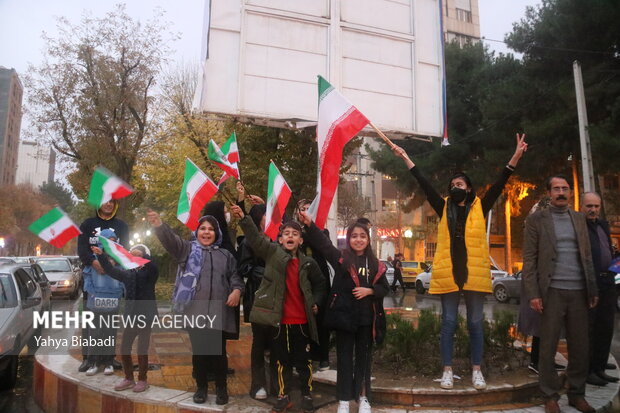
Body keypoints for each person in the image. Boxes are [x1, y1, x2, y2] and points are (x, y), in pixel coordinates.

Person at [392, 134, 528, 390]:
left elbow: (501, 182)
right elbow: (422, 182)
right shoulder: (443, 207)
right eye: (453, 183)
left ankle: (477, 371)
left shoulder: (479, 207)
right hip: (448, 274)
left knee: (476, 323)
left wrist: (516, 156)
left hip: (474, 274)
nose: (456, 186)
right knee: (448, 323)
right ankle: (447, 371)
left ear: (468, 187)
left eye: (461, 183)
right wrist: (406, 158)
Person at [232, 204, 327, 413]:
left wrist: (317, 302)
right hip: (279, 321)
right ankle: (283, 396)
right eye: (286, 233)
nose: (290, 236)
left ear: (301, 240)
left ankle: (307, 394)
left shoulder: (308, 263)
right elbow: (256, 240)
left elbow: (321, 285)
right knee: (281, 361)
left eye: (295, 234)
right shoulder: (273, 253)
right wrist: (244, 218)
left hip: (302, 322)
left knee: (304, 362)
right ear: (280, 238)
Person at [147, 209, 243, 405]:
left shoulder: (225, 255)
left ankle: (221, 388)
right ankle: (201, 387)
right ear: (196, 232)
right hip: (195, 311)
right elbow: (171, 241)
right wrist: (159, 225)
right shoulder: (188, 250)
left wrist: (236, 291)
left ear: (217, 233)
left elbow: (236, 278)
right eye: (202, 229)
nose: (206, 232)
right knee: (199, 352)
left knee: (218, 353)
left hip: (219, 311)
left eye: (211, 229)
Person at [298, 212, 389, 413]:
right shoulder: (341, 258)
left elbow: (385, 288)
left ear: (368, 239)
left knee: (364, 361)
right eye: (354, 236)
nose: (358, 240)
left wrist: (370, 291)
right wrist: (310, 224)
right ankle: (344, 400)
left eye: (362, 236)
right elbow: (324, 245)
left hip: (367, 320)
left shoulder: (375, 264)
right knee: (344, 360)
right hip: (344, 318)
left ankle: (363, 397)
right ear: (349, 239)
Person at [522, 175, 598, 413]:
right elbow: (530, 259)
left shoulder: (579, 218)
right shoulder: (537, 220)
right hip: (551, 291)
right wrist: (533, 293)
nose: (561, 192)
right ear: (549, 193)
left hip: (579, 290)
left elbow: (586, 255)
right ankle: (550, 395)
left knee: (580, 346)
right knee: (548, 346)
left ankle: (576, 393)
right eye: (557, 189)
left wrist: (592, 287)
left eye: (565, 188)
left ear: (571, 193)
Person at [92, 243, 158, 392]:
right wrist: (101, 255)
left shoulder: (150, 272)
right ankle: (128, 378)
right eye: (132, 256)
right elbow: (109, 270)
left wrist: (141, 254)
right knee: (124, 348)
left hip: (145, 316)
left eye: (138, 256)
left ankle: (143, 380)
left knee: (142, 349)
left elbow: (153, 265)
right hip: (131, 316)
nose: (134, 257)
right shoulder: (128, 274)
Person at [76, 199, 129, 372]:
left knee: (110, 321)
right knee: (91, 321)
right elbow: (82, 248)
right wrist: (94, 263)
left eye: (112, 202)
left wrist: (113, 262)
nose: (108, 204)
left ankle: (109, 357)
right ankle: (88, 358)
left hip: (112, 281)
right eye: (105, 201)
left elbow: (125, 248)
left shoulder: (121, 225)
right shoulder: (87, 224)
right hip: (93, 280)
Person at [582, 192, 618, 386]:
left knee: (606, 326)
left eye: (596, 206)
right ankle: (588, 370)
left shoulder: (603, 225)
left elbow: (607, 250)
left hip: (608, 281)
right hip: (591, 283)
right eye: (589, 206)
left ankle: (600, 367)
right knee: (591, 329)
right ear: (582, 206)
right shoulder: (579, 227)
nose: (593, 209)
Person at [295, 198, 332, 372]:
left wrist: (310, 228)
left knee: (322, 320)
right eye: (303, 208)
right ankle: (303, 356)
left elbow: (323, 246)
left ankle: (323, 356)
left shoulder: (321, 231)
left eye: (310, 209)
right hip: (300, 282)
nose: (306, 211)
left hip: (320, 281)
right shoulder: (294, 232)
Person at [83, 228, 125, 376]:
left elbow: (122, 278)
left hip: (112, 299)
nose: (111, 243)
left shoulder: (119, 259)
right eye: (108, 240)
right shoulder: (93, 258)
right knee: (95, 333)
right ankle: (93, 362)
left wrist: (119, 294)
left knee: (109, 333)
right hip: (96, 301)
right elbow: (87, 278)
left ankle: (108, 362)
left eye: (114, 241)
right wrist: (92, 295)